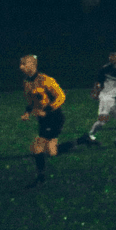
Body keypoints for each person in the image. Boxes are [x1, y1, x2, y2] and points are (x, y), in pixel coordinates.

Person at [20, 55, 68, 185]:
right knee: (52, 152)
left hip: (54, 118)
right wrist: (27, 113)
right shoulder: (27, 82)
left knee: (37, 147)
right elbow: (31, 101)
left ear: (32, 65)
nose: (21, 67)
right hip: (43, 120)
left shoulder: (46, 80)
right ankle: (82, 140)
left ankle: (40, 177)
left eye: (24, 64)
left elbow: (61, 97)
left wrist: (46, 111)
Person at [80, 50, 116, 146]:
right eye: (110, 56)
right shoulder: (105, 69)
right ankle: (90, 136)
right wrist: (95, 91)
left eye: (113, 56)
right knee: (103, 120)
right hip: (106, 96)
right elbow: (98, 82)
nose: (110, 58)